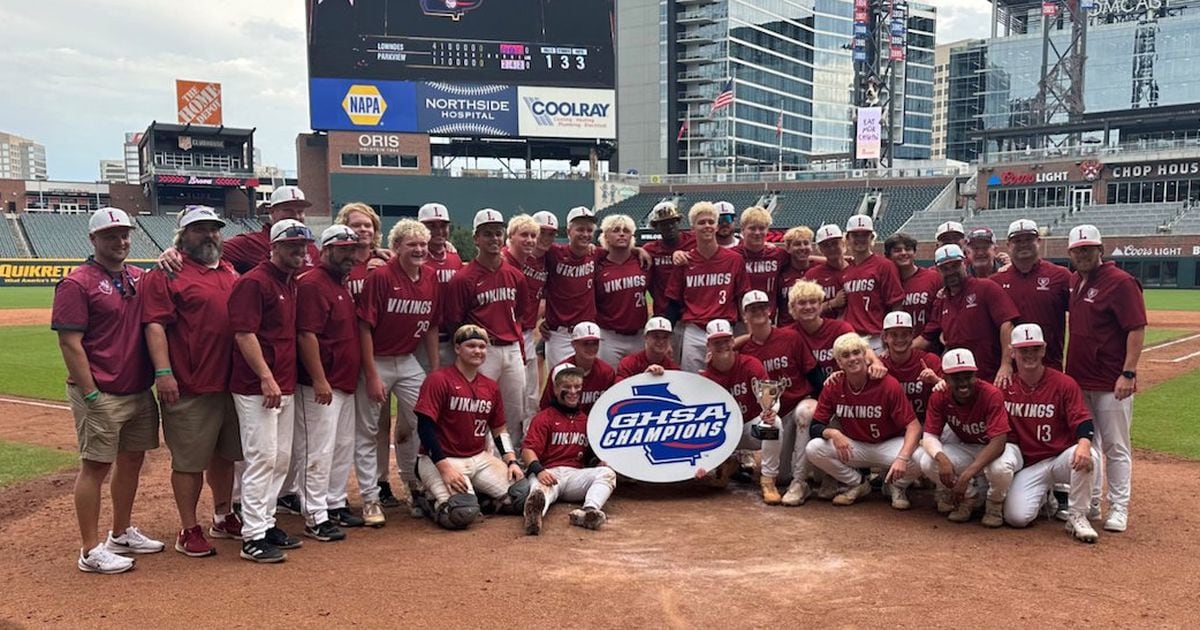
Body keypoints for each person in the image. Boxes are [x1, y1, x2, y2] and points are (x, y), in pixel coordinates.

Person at [54, 207, 164, 574]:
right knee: (96, 465)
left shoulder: (138, 276)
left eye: (125, 234)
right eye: (111, 236)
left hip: (137, 387)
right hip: (100, 390)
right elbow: (70, 343)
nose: (121, 241)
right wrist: (89, 393)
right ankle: (89, 549)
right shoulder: (77, 282)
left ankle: (120, 532)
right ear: (93, 240)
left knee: (133, 460)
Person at [141, 205, 241, 557]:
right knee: (189, 461)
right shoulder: (168, 273)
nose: (209, 235)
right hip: (190, 382)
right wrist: (163, 373)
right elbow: (154, 325)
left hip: (231, 381)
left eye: (214, 228)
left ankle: (223, 514)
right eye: (199, 229)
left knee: (225, 455)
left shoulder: (229, 270)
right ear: (183, 236)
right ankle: (188, 528)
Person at [227, 218, 313, 563]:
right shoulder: (254, 282)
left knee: (279, 459)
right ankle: (252, 535)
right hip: (256, 386)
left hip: (284, 381)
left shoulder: (289, 282)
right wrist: (265, 376)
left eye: (303, 246)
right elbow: (244, 334)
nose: (299, 251)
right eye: (292, 245)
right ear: (274, 247)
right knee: (261, 457)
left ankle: (266, 521)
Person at [356, 219, 442, 527]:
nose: (419, 249)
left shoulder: (430, 277)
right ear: (396, 248)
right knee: (367, 430)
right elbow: (364, 327)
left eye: (422, 244)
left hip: (406, 359)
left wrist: (433, 371)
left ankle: (414, 484)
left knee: (423, 421)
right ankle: (369, 498)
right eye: (411, 244)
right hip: (377, 358)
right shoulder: (380, 277)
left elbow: (431, 327)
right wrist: (371, 373)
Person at [1065, 224, 1146, 533]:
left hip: (1112, 381)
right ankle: (1093, 502)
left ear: (1101, 250)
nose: (1083, 254)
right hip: (1080, 379)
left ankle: (1120, 507)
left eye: (1089, 249)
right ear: (1071, 253)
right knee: (1089, 443)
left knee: (1116, 446)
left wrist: (1128, 372)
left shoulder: (1121, 282)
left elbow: (1136, 328)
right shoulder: (1075, 281)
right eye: (1078, 250)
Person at [290, 225, 365, 542]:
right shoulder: (312, 283)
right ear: (326, 250)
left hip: (343, 382)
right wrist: (319, 379)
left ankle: (333, 503)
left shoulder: (339, 283)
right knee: (316, 451)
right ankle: (315, 514)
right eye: (343, 249)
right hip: (319, 384)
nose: (350, 255)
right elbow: (306, 334)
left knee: (341, 447)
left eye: (353, 249)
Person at [413, 325, 526, 530]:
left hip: (478, 457)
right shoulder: (438, 380)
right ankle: (429, 499)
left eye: (482, 347)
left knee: (521, 496)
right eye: (471, 345)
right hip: (442, 458)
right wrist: (444, 468)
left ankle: (481, 499)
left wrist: (511, 460)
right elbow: (425, 428)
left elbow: (499, 430)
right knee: (461, 513)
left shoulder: (490, 386)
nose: (478, 351)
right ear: (457, 348)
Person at [1002, 324, 1100, 543]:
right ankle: (1045, 498)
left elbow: (1083, 420)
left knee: (1088, 456)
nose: (1030, 355)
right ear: (1012, 352)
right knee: (1016, 518)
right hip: (1030, 465)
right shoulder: (1005, 386)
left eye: (1035, 349)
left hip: (1060, 459)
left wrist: (1084, 444)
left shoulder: (1063, 383)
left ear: (1043, 350)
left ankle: (1077, 515)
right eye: (1023, 350)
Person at [805, 333, 922, 509]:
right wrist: (833, 433)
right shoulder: (834, 385)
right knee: (814, 448)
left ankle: (896, 486)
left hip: (887, 445)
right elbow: (815, 426)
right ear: (839, 362)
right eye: (845, 355)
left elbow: (913, 426)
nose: (852, 358)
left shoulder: (887, 384)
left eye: (856, 352)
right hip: (855, 447)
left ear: (864, 356)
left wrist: (902, 458)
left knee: (921, 457)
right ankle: (858, 483)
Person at [446, 209, 529, 448]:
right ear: (476, 239)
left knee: (515, 410)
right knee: (480, 408)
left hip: (511, 348)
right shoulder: (463, 279)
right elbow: (455, 322)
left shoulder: (515, 275)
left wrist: (518, 347)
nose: (494, 238)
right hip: (483, 351)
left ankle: (510, 461)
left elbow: (520, 313)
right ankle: (482, 460)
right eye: (487, 234)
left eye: (497, 233)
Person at [915, 348, 1020, 527]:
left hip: (1003, 449)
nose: (963, 382)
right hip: (971, 447)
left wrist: (965, 476)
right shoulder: (939, 395)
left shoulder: (990, 393)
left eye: (967, 376)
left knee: (999, 469)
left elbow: (999, 442)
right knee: (926, 460)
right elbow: (930, 435)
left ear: (975, 374)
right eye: (956, 377)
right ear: (945, 378)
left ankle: (994, 503)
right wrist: (943, 461)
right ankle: (970, 498)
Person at [737, 291, 819, 505]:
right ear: (744, 315)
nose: (759, 312)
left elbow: (813, 373)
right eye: (752, 309)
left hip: (795, 407)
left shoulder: (790, 337)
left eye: (762, 307)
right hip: (772, 420)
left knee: (806, 412)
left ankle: (800, 482)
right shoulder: (744, 350)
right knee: (782, 476)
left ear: (770, 310)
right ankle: (742, 464)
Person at [522, 363, 617, 535]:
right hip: (549, 472)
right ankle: (534, 517)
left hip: (574, 475)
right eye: (567, 387)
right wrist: (539, 471)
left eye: (577, 387)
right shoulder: (544, 417)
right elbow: (528, 450)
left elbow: (588, 455)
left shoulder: (586, 420)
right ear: (556, 389)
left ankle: (588, 512)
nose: (573, 391)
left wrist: (598, 462)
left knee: (607, 473)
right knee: (539, 491)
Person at [665, 202, 750, 373]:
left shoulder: (734, 259)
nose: (707, 226)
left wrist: (749, 331)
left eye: (711, 222)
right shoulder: (685, 261)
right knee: (692, 382)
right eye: (701, 222)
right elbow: (673, 302)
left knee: (725, 381)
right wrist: (667, 337)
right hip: (694, 330)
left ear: (716, 226)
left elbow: (742, 297)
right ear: (692, 227)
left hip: (725, 329)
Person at [922, 244, 1019, 385]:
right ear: (938, 270)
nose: (950, 272)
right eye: (945, 268)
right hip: (959, 380)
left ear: (964, 263)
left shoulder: (985, 287)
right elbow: (930, 337)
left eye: (954, 266)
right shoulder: (941, 300)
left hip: (990, 376)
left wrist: (1006, 364)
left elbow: (1007, 323)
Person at [695, 319, 772, 488]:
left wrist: (769, 411)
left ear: (732, 341)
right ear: (708, 345)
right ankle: (729, 462)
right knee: (706, 479)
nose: (722, 345)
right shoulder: (705, 378)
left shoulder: (751, 364)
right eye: (716, 342)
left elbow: (769, 397)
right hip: (723, 435)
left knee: (773, 427)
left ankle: (769, 478)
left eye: (725, 341)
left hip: (748, 428)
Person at [992, 219, 1071, 371]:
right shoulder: (995, 282)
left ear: (1039, 241)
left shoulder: (1060, 276)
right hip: (1009, 371)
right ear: (1008, 245)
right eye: (1017, 240)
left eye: (1029, 239)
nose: (1023, 244)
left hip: (1049, 365)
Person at [542, 206, 599, 369]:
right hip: (560, 334)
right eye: (580, 229)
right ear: (568, 231)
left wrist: (638, 250)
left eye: (589, 230)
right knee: (561, 383)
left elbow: (620, 252)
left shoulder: (596, 254)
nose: (585, 234)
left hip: (587, 332)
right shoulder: (553, 253)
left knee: (587, 383)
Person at [840, 215, 903, 351]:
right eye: (855, 235)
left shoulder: (884, 265)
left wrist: (891, 335)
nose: (860, 239)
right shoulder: (846, 270)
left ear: (872, 238)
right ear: (847, 239)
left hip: (877, 338)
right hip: (851, 338)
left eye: (865, 235)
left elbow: (896, 304)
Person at [223, 186, 321, 274]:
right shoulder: (250, 242)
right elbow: (212, 259)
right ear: (271, 212)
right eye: (288, 210)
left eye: (300, 211)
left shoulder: (311, 247)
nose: (296, 216)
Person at [595, 214, 650, 367]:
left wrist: (638, 250)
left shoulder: (642, 262)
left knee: (638, 383)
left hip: (639, 335)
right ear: (605, 235)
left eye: (626, 230)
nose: (621, 233)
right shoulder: (598, 266)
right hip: (609, 336)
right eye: (616, 230)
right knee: (609, 382)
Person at [539, 322, 616, 413]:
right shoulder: (561, 371)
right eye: (586, 343)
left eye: (595, 343)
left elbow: (612, 406)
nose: (591, 348)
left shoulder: (607, 372)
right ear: (574, 344)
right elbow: (545, 407)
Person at [879, 311, 941, 422]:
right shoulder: (879, 365)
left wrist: (936, 381)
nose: (899, 339)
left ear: (912, 335)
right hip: (893, 429)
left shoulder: (929, 360)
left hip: (928, 425)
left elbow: (952, 392)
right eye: (894, 335)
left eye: (905, 334)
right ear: (885, 337)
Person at [732, 207, 789, 323]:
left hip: (768, 319)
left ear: (767, 230)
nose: (757, 233)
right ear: (742, 230)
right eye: (752, 228)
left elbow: (804, 259)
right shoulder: (732, 255)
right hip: (739, 322)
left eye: (761, 228)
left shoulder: (778, 254)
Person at [884, 232, 941, 338]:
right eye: (897, 250)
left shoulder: (933, 278)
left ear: (914, 252)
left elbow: (939, 316)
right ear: (888, 256)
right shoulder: (885, 283)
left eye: (908, 249)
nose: (904, 253)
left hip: (930, 344)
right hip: (897, 345)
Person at [803, 224, 848, 319]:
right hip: (825, 329)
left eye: (835, 243)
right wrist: (833, 303)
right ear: (820, 249)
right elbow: (804, 310)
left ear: (843, 243)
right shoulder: (813, 275)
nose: (832, 248)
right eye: (826, 246)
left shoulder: (856, 268)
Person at [777, 226, 818, 326]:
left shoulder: (819, 269)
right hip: (787, 328)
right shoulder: (781, 272)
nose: (802, 247)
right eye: (797, 244)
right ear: (788, 248)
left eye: (806, 243)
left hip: (813, 328)